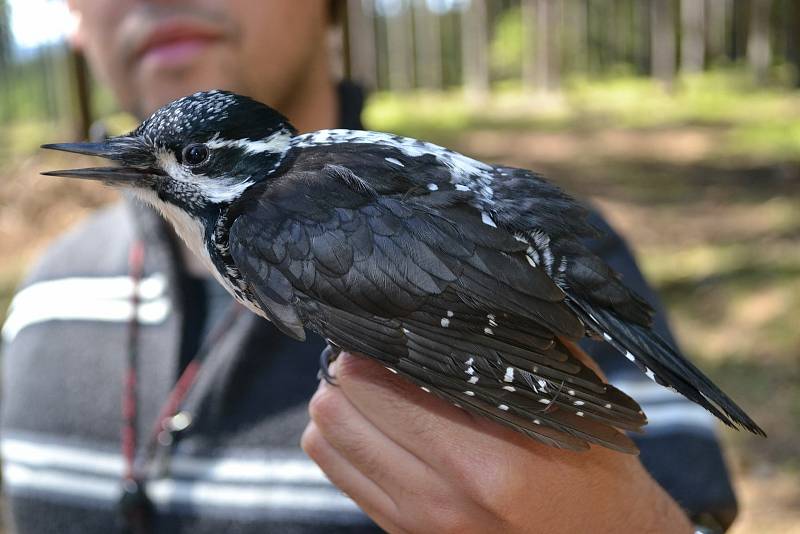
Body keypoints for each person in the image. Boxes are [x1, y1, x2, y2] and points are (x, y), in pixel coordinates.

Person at [1, 1, 737, 532]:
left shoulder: (276, 216)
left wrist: (607, 517)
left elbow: (431, 311)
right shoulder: (46, 300)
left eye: (189, 162)